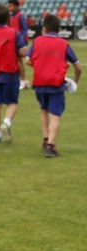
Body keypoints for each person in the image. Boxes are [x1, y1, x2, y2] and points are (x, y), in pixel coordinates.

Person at [25, 15, 82, 157]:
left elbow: (27, 60)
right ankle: (50, 146)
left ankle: (46, 139)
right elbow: (78, 66)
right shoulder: (63, 44)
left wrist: (40, 66)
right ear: (59, 29)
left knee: (44, 110)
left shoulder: (37, 41)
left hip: (39, 82)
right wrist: (75, 80)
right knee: (55, 115)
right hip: (56, 83)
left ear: (44, 28)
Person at [0, 3, 27, 144]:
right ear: (8, 18)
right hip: (10, 72)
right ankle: (6, 122)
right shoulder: (14, 33)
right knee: (12, 102)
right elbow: (23, 51)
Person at [7, 0, 30, 89]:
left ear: (16, 6)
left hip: (20, 42)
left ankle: (23, 80)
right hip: (13, 41)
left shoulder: (20, 16)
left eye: (11, 6)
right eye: (9, 6)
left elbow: (24, 29)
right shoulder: (10, 16)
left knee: (19, 61)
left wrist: (21, 40)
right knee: (18, 61)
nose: (9, 8)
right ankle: (22, 80)